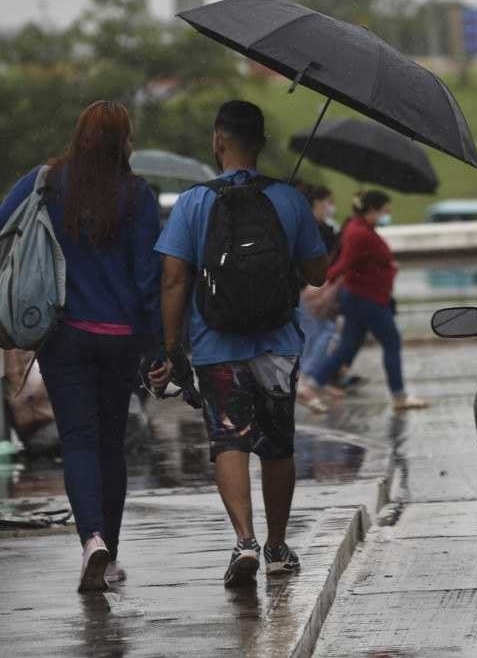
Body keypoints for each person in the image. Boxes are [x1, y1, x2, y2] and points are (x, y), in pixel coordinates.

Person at [0, 100, 162, 592]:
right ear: (124, 142)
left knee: (78, 440)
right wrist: (158, 345)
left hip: (64, 335)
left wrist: (29, 273)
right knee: (110, 445)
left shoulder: (46, 182)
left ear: (79, 137)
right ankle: (111, 555)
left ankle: (91, 542)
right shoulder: (138, 196)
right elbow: (149, 279)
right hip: (121, 339)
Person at [150, 100, 328, 587]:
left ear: (217, 140)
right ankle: (276, 547)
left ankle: (244, 541)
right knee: (277, 445)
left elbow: (172, 278)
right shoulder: (289, 200)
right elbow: (317, 275)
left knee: (229, 439)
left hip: (215, 344)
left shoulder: (193, 202)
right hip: (277, 345)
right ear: (262, 142)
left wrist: (171, 346)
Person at [302, 190, 427, 411]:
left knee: (347, 346)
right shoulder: (360, 234)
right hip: (367, 298)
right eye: (384, 209)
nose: (387, 214)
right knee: (391, 342)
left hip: (363, 296)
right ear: (372, 209)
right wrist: (321, 283)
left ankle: (312, 385)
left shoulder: (360, 229)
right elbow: (345, 264)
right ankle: (399, 396)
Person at [294, 182, 340, 413]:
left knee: (317, 333)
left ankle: (311, 380)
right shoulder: (311, 228)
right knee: (320, 333)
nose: (331, 207)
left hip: (309, 287)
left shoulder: (318, 227)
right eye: (327, 202)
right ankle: (308, 379)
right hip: (307, 289)